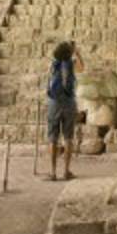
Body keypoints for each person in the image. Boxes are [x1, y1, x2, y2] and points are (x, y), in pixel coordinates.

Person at [46, 40, 84, 181]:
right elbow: (82, 69)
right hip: (69, 102)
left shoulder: (53, 63)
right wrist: (77, 53)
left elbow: (48, 75)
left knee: (52, 138)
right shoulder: (72, 63)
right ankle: (66, 171)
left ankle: (52, 172)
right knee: (68, 138)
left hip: (54, 102)